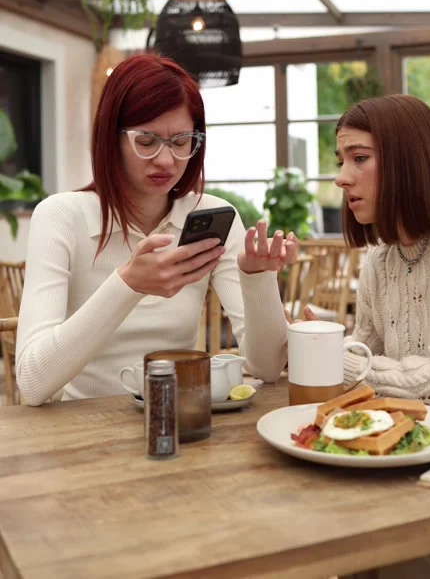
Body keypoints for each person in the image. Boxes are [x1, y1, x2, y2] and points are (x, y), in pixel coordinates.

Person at [16, 53, 297, 406]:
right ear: (111, 138)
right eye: (146, 141)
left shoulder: (210, 215)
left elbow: (267, 368)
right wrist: (128, 284)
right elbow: (32, 383)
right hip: (84, 427)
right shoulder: (60, 216)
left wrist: (257, 278)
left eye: (180, 142)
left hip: (181, 419)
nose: (166, 161)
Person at [304, 94, 430, 579]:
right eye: (341, 161)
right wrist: (325, 347)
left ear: (408, 158)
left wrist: (332, 357)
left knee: (357, 538)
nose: (341, 178)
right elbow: (361, 374)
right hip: (416, 458)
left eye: (359, 158)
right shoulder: (380, 259)